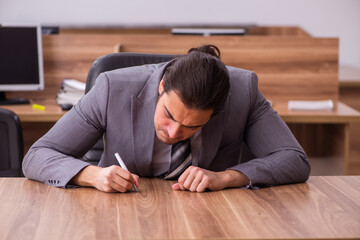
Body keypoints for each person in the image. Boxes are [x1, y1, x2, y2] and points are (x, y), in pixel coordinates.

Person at [22, 45, 310, 193]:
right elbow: (37, 155)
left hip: (212, 219)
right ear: (161, 87)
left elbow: (294, 160)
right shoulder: (112, 88)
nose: (173, 132)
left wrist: (226, 177)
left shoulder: (243, 92)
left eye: (191, 126)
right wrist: (92, 175)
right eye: (168, 115)